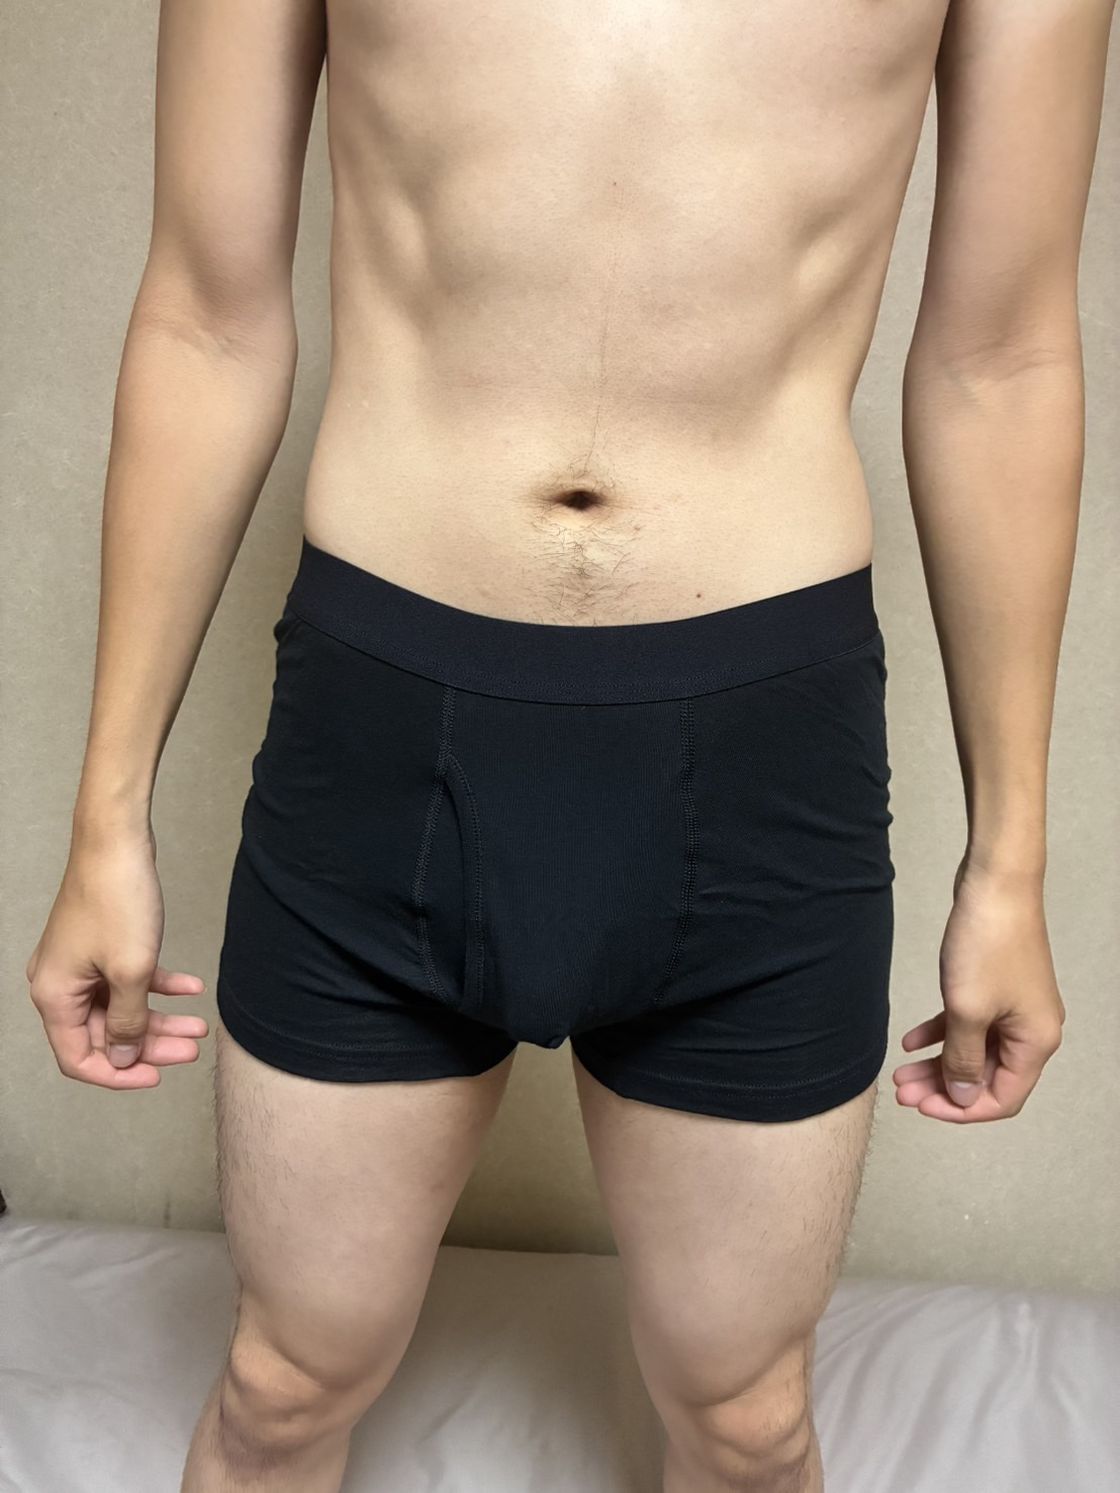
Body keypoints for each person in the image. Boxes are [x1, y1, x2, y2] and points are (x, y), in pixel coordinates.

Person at [23, 1, 1113, 1489]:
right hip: (381, 724)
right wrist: (107, 821)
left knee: (748, 1422)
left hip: (762, 748)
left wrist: (1009, 865)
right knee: (284, 1383)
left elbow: (1002, 361)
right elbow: (207, 318)